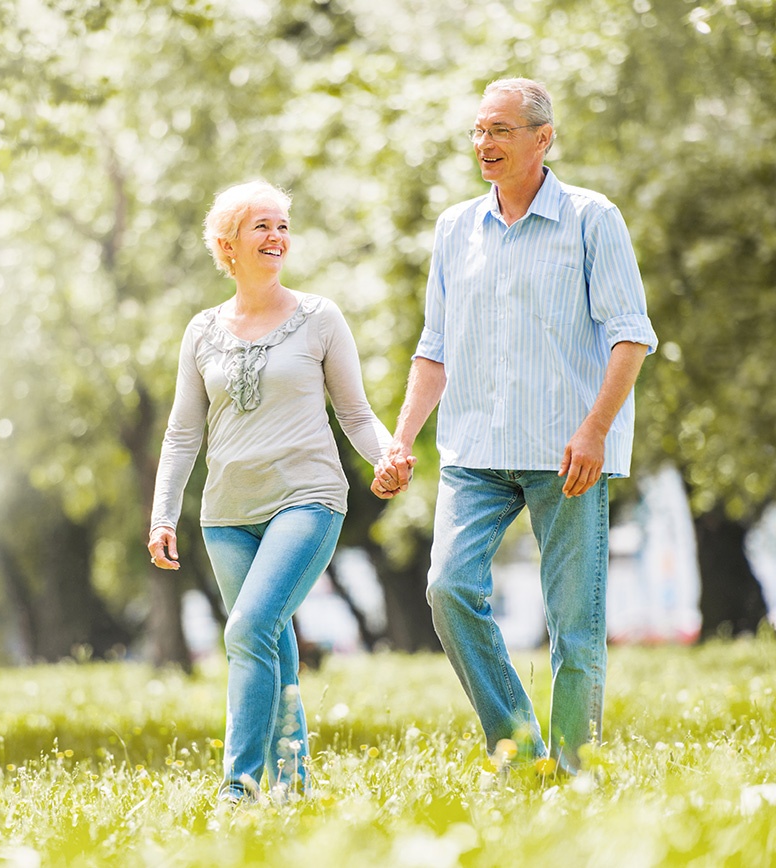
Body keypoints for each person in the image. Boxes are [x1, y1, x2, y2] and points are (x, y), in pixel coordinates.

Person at [372, 78, 658, 775]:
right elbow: (435, 346)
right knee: (447, 588)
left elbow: (631, 337)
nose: (485, 144)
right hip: (474, 450)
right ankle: (522, 748)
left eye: (501, 130)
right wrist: (402, 438)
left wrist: (594, 430)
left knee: (575, 629)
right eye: (478, 131)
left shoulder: (593, 219)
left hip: (566, 452)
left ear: (542, 137)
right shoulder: (454, 229)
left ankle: (573, 770)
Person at [148, 180, 399, 803]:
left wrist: (389, 454)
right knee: (270, 639)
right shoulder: (202, 331)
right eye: (263, 225)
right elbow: (182, 434)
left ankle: (240, 786)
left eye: (283, 225)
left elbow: (356, 414)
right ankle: (291, 783)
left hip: (307, 498)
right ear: (227, 243)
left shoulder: (320, 318)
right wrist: (163, 515)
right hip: (226, 515)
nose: (277, 237)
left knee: (249, 626)